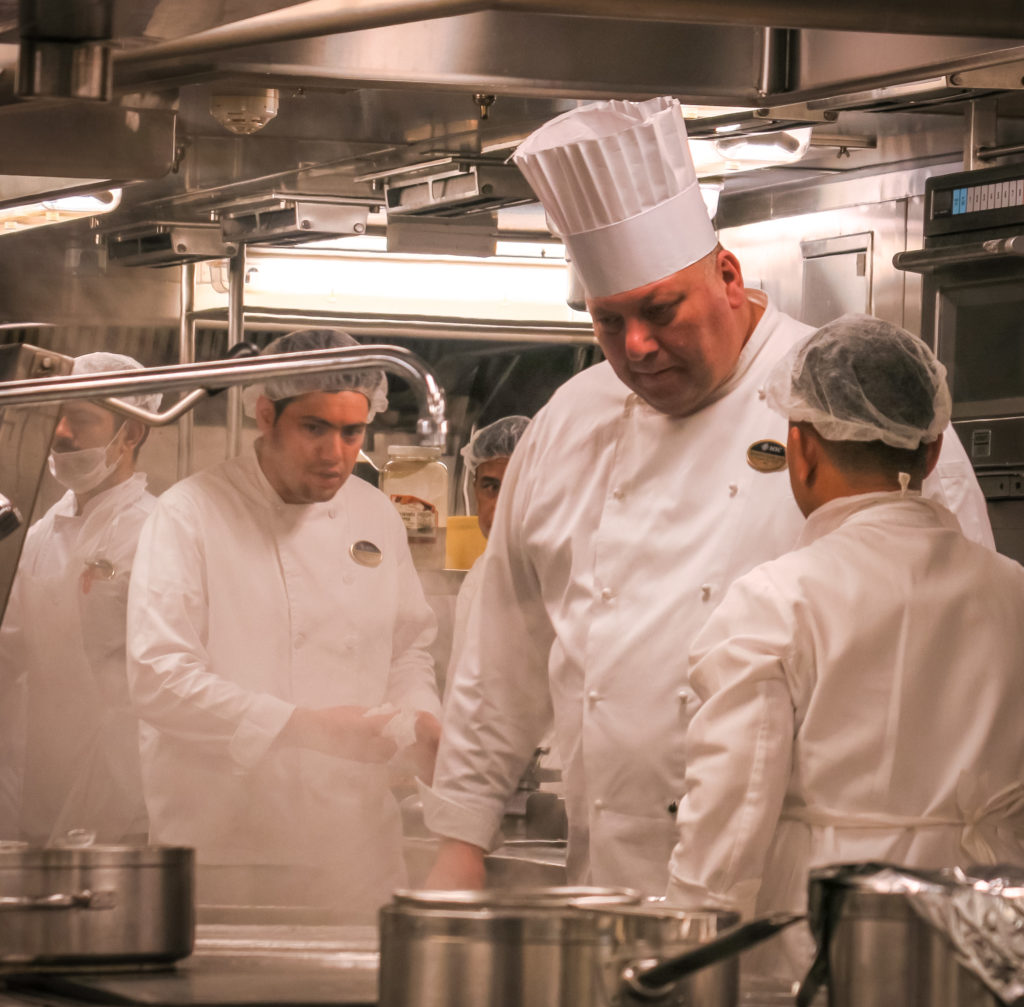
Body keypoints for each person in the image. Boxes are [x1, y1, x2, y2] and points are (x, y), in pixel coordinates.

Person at [422, 96, 995, 894]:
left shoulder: (850, 411)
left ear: (728, 276)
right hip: (607, 879)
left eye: (660, 310)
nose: (637, 346)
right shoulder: (568, 423)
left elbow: (965, 647)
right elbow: (501, 652)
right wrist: (461, 834)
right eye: (609, 322)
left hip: (803, 885)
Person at [666, 314, 1024, 980]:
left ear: (800, 449)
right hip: (988, 946)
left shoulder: (776, 600)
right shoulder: (1015, 593)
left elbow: (729, 821)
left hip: (825, 943)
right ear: (932, 453)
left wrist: (686, 958)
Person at [127, 329, 441, 919]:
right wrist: (299, 726)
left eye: (352, 432)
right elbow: (158, 678)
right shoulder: (189, 514)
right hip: (228, 849)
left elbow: (405, 650)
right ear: (267, 415)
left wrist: (420, 717)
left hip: (355, 851)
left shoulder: (375, 512)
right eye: (314, 428)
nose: (335, 453)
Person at [0, 352, 160, 844]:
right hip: (42, 772)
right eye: (58, 414)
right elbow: (11, 652)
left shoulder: (157, 532)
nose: (62, 432)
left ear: (131, 433)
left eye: (82, 419)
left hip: (124, 782)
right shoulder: (39, 532)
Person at [446, 415, 532, 694]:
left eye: (516, 488)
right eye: (491, 487)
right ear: (475, 489)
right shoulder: (481, 570)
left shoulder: (554, 578)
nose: (499, 507)